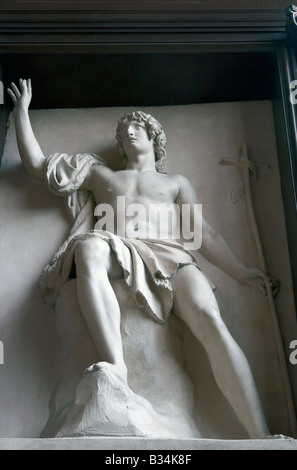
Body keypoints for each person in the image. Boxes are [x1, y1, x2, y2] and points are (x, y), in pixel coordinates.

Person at [8, 78, 274, 439]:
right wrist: (21, 111)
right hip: (123, 249)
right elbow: (38, 166)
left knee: (211, 321)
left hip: (172, 256)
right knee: (89, 247)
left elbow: (204, 234)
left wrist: (242, 273)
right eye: (125, 130)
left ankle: (261, 435)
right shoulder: (101, 175)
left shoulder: (175, 183)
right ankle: (114, 364)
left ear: (153, 139)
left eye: (138, 127)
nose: (130, 132)